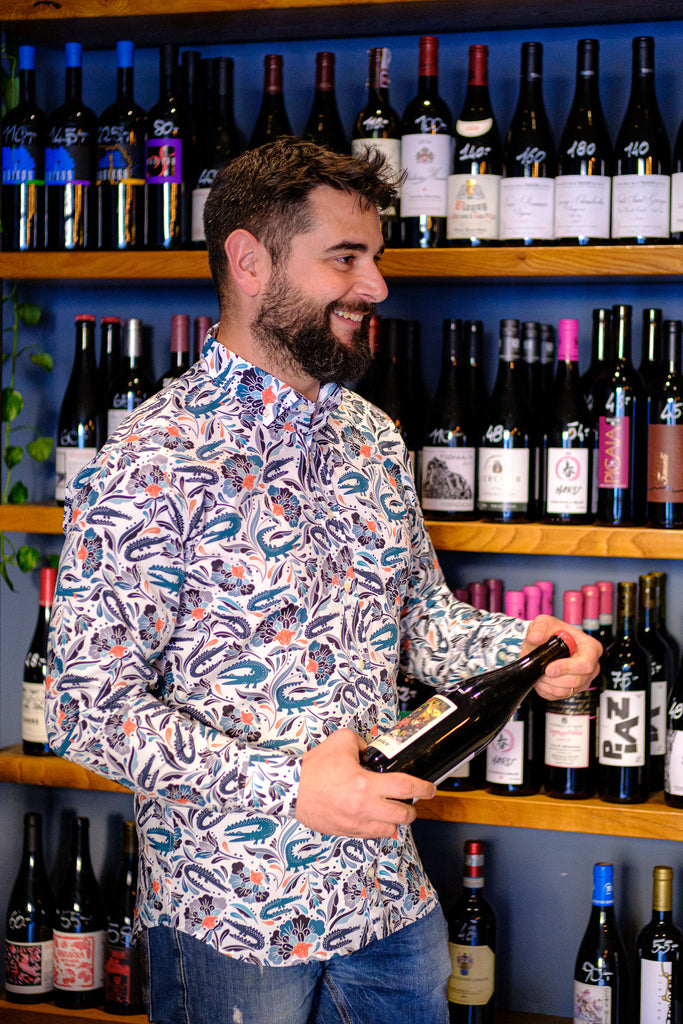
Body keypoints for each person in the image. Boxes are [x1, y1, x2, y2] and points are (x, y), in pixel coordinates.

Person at [46, 137, 601, 1024]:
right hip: (232, 914)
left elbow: (418, 618)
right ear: (249, 261)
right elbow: (85, 705)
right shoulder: (151, 458)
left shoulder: (371, 436)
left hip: (387, 895)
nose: (375, 286)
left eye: (374, 258)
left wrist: (521, 648)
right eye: (345, 258)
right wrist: (287, 787)